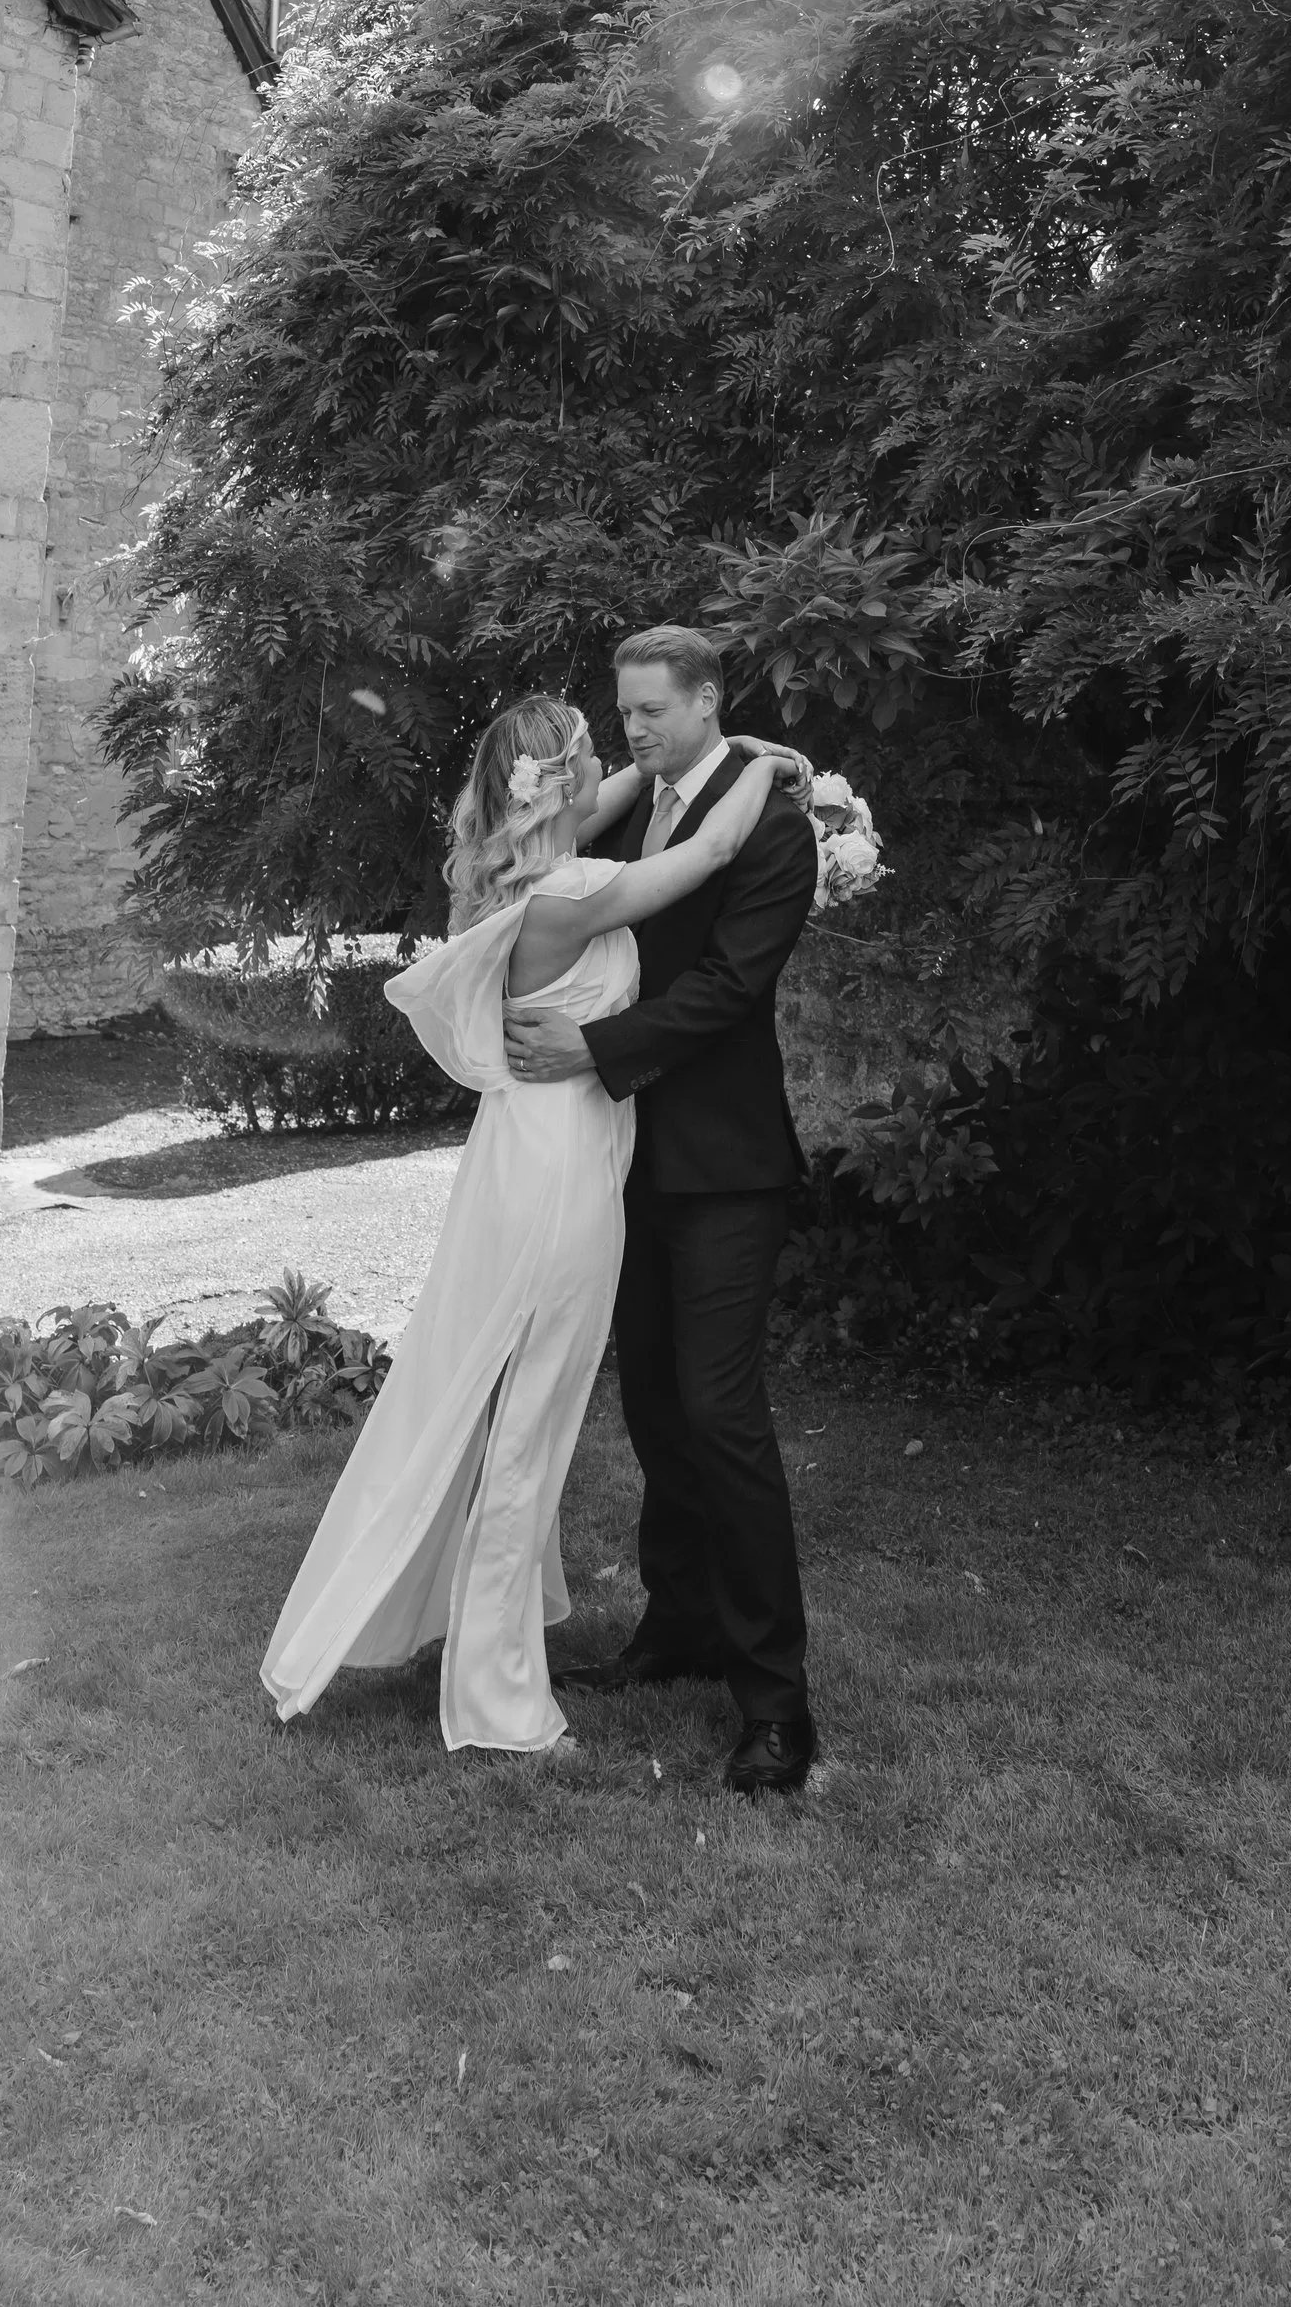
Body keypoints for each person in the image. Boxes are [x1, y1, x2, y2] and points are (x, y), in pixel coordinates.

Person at [259, 691, 806, 1757]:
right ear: (560, 782)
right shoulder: (579, 891)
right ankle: (498, 1698)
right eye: (594, 753)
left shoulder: (511, 879)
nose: (617, 757)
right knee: (529, 1436)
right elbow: (715, 848)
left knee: (500, 1414)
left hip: (520, 1161)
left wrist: (667, 760)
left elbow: (624, 790)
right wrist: (754, 762)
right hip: (563, 1179)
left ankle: (477, 1651)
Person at [504, 624, 820, 1799]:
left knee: (723, 1412)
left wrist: (590, 1049)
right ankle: (677, 1625)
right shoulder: (639, 807)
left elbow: (730, 988)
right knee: (651, 1402)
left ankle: (775, 1701)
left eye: (652, 709)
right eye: (622, 708)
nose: (632, 727)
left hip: (726, 1163)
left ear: (707, 703)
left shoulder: (771, 822)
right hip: (625, 1155)